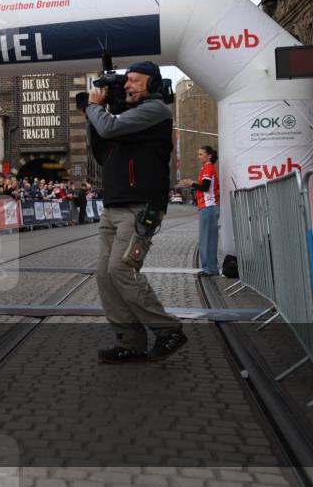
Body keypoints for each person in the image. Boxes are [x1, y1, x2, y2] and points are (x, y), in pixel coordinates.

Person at [84, 60, 187, 363]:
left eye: (135, 80)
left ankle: (168, 329)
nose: (128, 85)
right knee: (104, 274)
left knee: (121, 269)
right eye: (126, 81)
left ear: (152, 85)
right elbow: (101, 150)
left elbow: (109, 127)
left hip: (140, 207)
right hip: (114, 206)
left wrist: (94, 109)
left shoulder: (155, 112)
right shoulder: (128, 116)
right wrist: (95, 118)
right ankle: (130, 340)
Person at [179, 146, 220, 277]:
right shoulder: (206, 168)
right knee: (208, 239)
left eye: (201, 154)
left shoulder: (208, 168)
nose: (198, 157)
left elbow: (205, 187)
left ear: (209, 156)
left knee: (207, 239)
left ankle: (210, 269)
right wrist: (192, 183)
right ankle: (209, 267)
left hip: (208, 207)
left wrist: (191, 183)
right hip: (207, 207)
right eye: (198, 154)